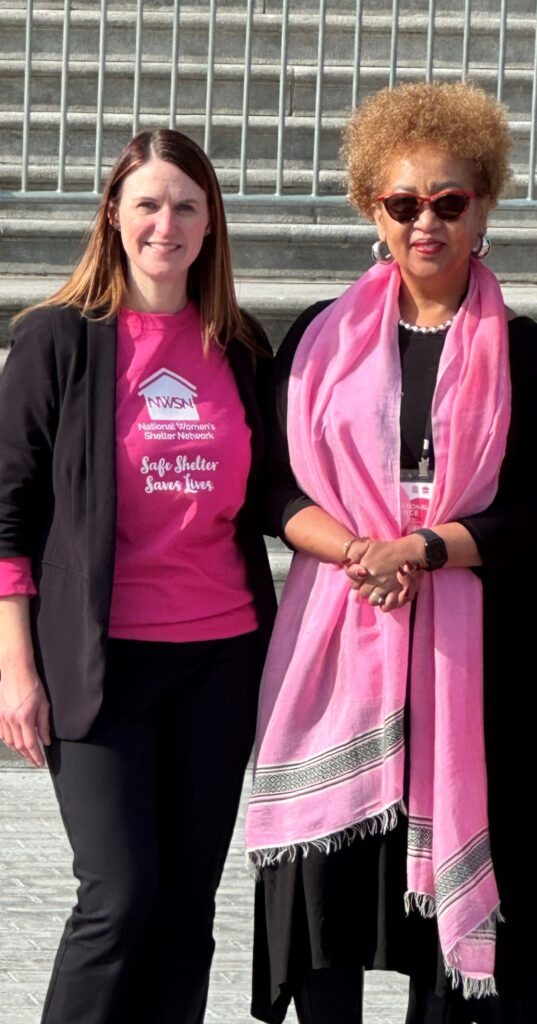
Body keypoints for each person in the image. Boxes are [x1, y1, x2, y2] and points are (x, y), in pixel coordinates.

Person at [245, 81, 537, 1024]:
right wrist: (362, 550)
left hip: (482, 660)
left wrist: (421, 550)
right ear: (371, 212)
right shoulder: (313, 339)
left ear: (484, 210)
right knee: (328, 906)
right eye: (402, 203)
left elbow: (535, 507)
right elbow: (272, 489)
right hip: (341, 651)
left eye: (448, 201)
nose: (425, 221)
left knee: (453, 977)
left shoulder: (531, 354)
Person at [0, 128, 277, 1024]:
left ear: (210, 226)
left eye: (187, 205)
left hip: (221, 659)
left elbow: (276, 490)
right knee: (116, 900)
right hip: (100, 666)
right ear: (115, 216)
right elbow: (4, 514)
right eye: (149, 203)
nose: (168, 222)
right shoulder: (56, 341)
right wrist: (15, 670)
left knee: (185, 914)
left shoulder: (238, 345)